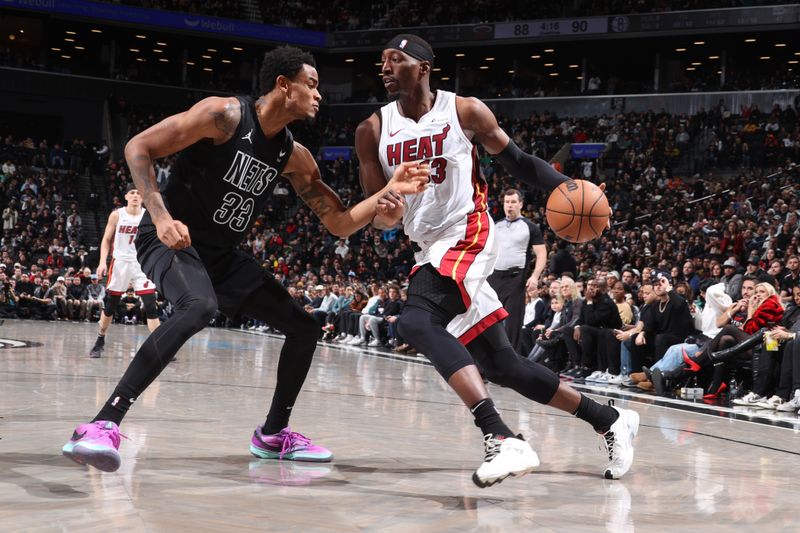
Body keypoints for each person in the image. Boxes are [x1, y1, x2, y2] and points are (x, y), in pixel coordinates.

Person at [62, 46, 428, 473]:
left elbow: (339, 223)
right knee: (199, 306)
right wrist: (159, 217)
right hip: (169, 240)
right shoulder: (224, 116)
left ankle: (273, 434)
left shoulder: (294, 156)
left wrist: (385, 195)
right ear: (282, 85)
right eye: (311, 85)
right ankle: (103, 422)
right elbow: (138, 146)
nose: (318, 95)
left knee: (304, 327)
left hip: (220, 255)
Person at [355, 34, 638, 487]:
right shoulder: (371, 129)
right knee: (503, 366)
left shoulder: (464, 110)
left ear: (424, 67)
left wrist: (575, 189)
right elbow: (378, 208)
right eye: (382, 61)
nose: (384, 67)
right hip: (428, 246)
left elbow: (521, 163)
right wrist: (386, 210)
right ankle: (609, 419)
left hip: (468, 232)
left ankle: (501, 437)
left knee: (414, 321)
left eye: (396, 60)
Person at [89, 186, 161, 358]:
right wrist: (102, 262)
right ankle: (100, 339)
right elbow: (106, 240)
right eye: (132, 193)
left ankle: (159, 346)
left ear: (143, 197)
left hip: (141, 263)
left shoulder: (149, 215)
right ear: (126, 196)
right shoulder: (117, 215)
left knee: (151, 305)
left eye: (138, 193)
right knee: (111, 305)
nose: (136, 195)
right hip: (120, 262)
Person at [487, 188, 546, 351]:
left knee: (513, 324)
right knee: (486, 320)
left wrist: (535, 276)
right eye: (507, 202)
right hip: (493, 277)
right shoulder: (496, 226)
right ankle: (483, 363)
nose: (509, 205)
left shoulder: (530, 227)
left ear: (521, 204)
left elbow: (541, 253)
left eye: (513, 202)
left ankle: (510, 365)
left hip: (515, 279)